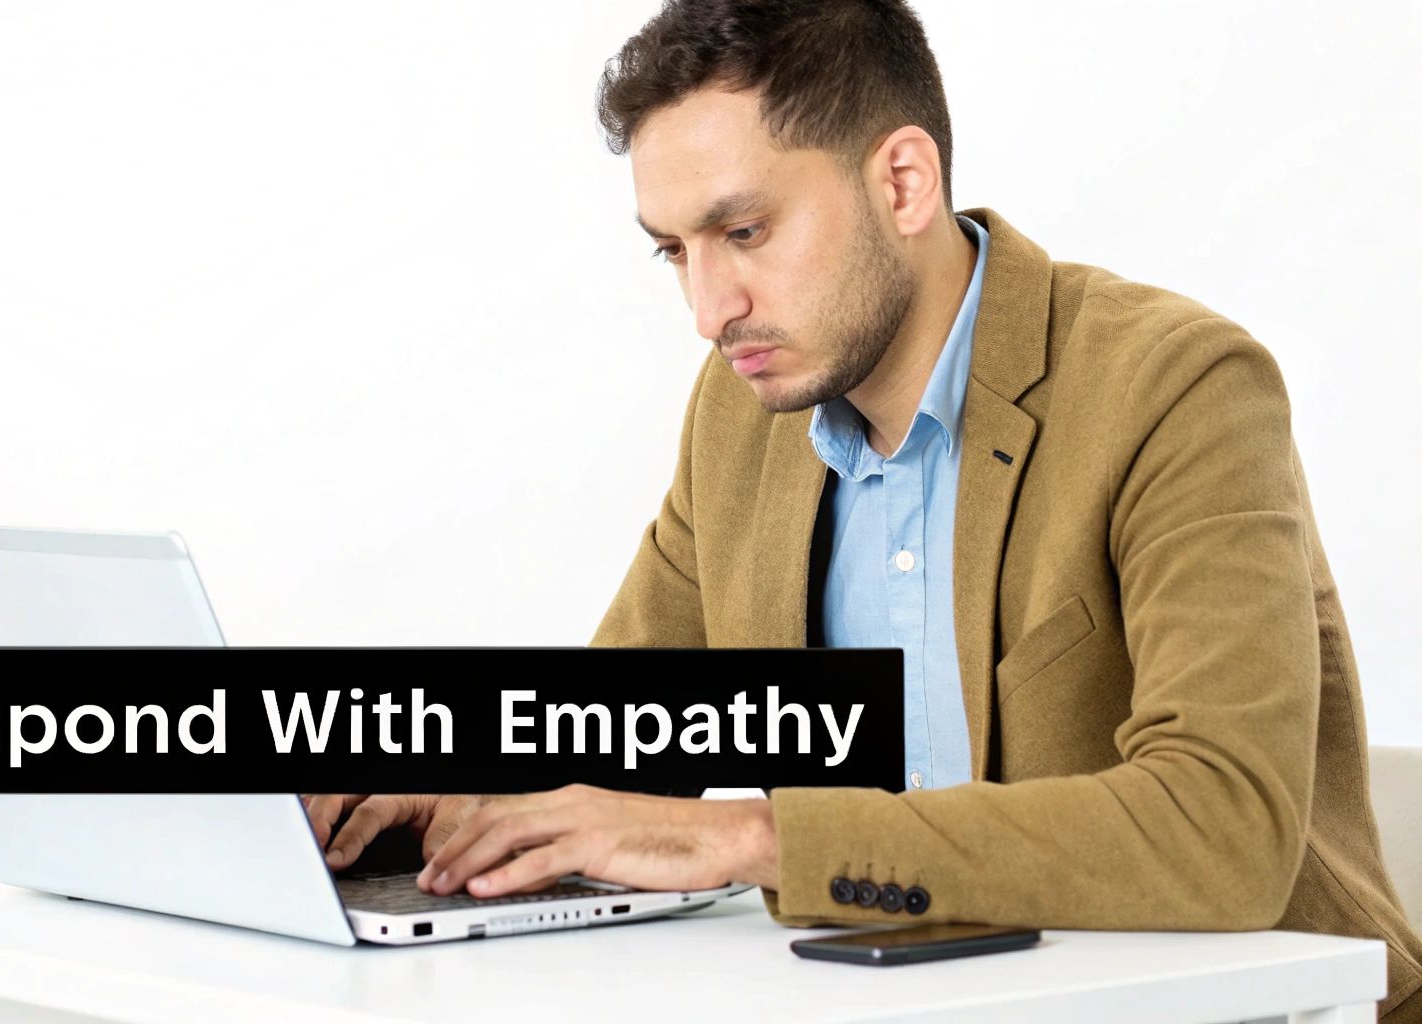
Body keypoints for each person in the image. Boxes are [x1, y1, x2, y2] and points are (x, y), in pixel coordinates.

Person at [308, 1, 1421, 1017]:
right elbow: (635, 737)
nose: (706, 309)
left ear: (900, 181)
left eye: (741, 233)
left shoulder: (1174, 387)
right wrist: (435, 780)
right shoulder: (745, 413)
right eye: (672, 251)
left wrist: (756, 834)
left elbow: (1219, 829)